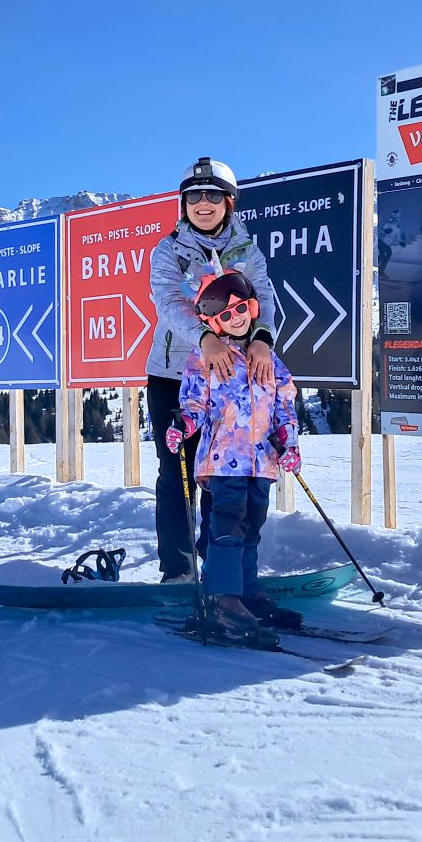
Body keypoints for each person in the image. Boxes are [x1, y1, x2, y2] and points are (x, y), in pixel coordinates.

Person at [146, 156, 279, 583]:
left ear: (228, 203)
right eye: (194, 197)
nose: (204, 204)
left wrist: (261, 338)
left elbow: (265, 298)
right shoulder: (168, 250)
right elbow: (168, 302)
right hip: (174, 375)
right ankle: (178, 571)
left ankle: (217, 567)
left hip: (231, 380)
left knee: (220, 471)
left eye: (213, 196)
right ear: (184, 205)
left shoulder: (247, 251)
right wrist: (204, 339)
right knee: (177, 470)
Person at [166, 269, 303, 639]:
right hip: (224, 459)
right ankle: (225, 598)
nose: (236, 318)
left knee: (252, 528)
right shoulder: (204, 359)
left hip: (262, 462)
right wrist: (184, 425)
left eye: (240, 308)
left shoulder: (270, 360)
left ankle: (247, 592)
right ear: (213, 322)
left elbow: (284, 405)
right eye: (225, 315)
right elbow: (194, 401)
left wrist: (288, 442)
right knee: (226, 526)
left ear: (253, 307)